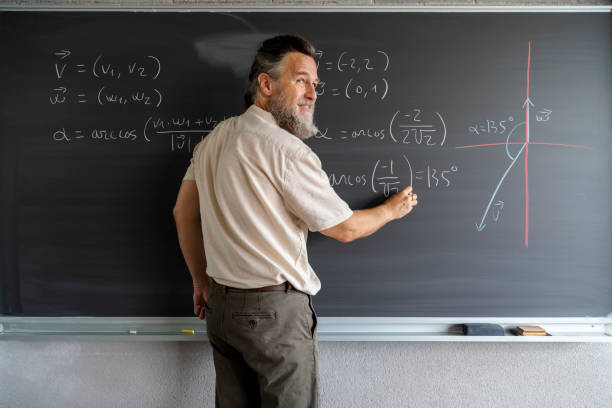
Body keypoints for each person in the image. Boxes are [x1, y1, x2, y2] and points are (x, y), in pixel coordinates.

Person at [173, 35, 418, 408]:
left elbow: (183, 212)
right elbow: (345, 229)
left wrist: (199, 281)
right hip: (273, 316)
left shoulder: (216, 139)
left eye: (315, 84)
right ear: (266, 84)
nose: (312, 93)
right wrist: (390, 210)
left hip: (221, 307)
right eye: (301, 80)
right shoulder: (286, 151)